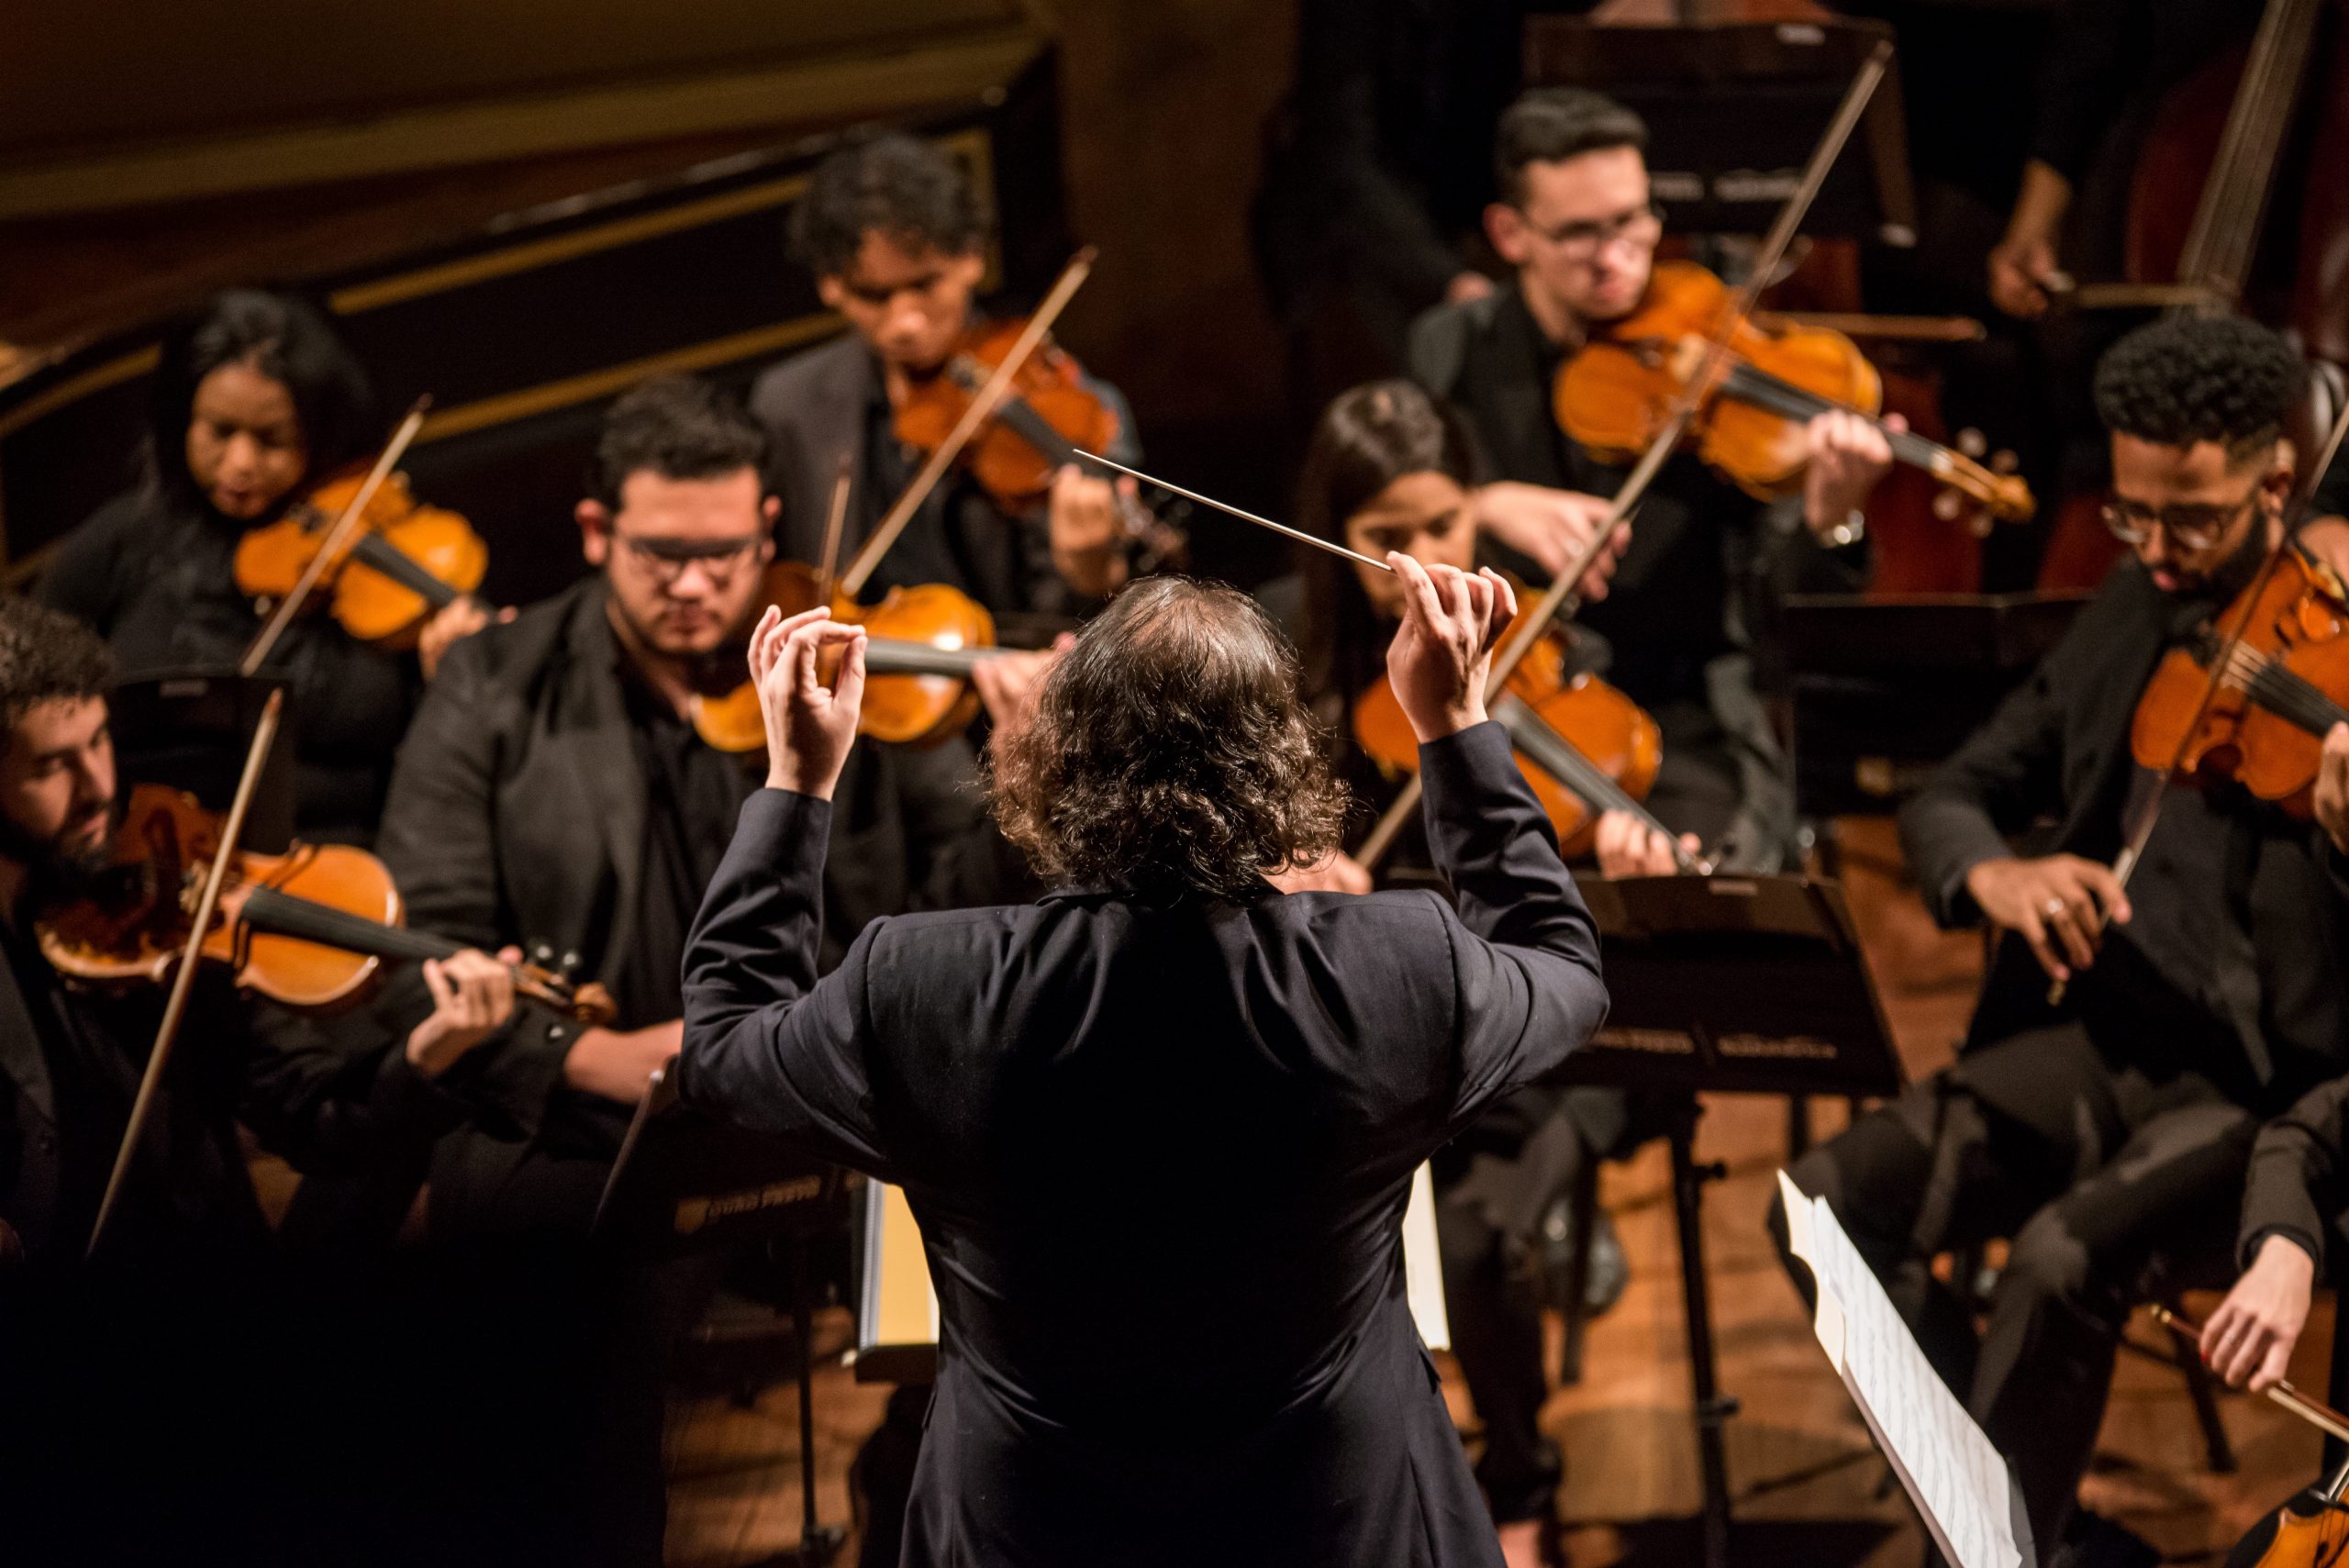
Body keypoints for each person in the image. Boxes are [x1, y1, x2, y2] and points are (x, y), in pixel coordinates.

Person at [675, 556, 1609, 1567]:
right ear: (1282, 765)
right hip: (1338, 1525)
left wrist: (797, 783)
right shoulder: (1396, 967)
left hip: (1030, 1531)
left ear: (1055, 760)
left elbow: (722, 1043)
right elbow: (1562, 964)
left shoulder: (919, 981)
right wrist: (1455, 728)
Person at [348, 372, 1043, 1565]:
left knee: (1022, 1266)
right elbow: (434, 934)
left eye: (723, 554)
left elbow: (963, 899)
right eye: (660, 553)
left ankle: (915, 1513)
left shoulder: (848, 659)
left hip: (828, 1090)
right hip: (598, 1112)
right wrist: (580, 1053)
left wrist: (1023, 769)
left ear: (767, 529)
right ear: (596, 533)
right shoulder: (495, 685)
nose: (693, 585)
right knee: (561, 1329)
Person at [1772, 313, 2349, 1567]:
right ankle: (2009, 1509)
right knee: (1823, 1209)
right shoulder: (2139, 602)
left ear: (2279, 483)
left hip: (2268, 1096)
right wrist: (1998, 872)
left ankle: (1989, 1540)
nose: (2153, 547)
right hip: (2105, 1031)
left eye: (2188, 518)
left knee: (2050, 1267)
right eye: (2134, 512)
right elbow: (1956, 790)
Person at [0, 594, 518, 1562]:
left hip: (208, 1328)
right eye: (50, 765)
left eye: (102, 742)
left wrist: (431, 1050)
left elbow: (314, 1112)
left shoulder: (160, 908)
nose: (100, 785)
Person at [1259, 379, 1653, 1562]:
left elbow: (1535, 916)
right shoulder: (1281, 645)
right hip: (1335, 1034)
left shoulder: (1523, 640)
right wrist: (1282, 865)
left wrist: (1625, 846)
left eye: (1445, 524)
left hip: (1510, 1044)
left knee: (1478, 1239)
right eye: (1391, 532)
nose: (1425, 557)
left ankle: (1521, 1476)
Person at [1408, 87, 1897, 874]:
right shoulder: (1452, 349)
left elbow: (1781, 613)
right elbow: (1384, 526)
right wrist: (1480, 504)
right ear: (1510, 233)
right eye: (1578, 233)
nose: (1619, 258)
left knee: (1705, 880)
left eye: (1632, 220)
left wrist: (1830, 521)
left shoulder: (1712, 347)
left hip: (1685, 712)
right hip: (1516, 702)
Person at [36, 289, 492, 847]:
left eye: (272, 440)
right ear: (182, 418)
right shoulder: (126, 539)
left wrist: (450, 680)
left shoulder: (376, 548)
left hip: (349, 866)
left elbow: (434, 761)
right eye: (220, 432)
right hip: (149, 855)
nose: (241, 465)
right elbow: (28, 683)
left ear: (322, 435)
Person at [751, 130, 1151, 620]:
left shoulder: (1080, 411)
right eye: (873, 296)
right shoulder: (788, 404)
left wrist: (1093, 575)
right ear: (830, 286)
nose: (904, 323)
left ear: (971, 257)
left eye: (925, 285)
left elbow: (1090, 628)